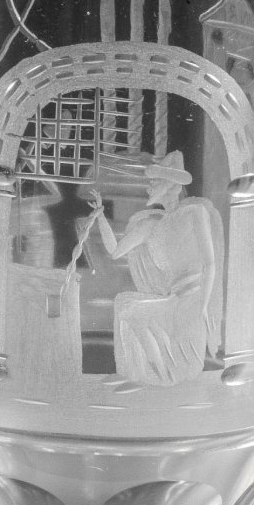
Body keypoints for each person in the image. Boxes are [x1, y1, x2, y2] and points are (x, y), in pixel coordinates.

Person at [94, 151, 223, 386]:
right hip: (174, 299)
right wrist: (100, 216)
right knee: (124, 305)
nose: (148, 187)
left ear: (169, 184)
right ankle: (150, 374)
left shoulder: (195, 212)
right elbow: (114, 251)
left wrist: (205, 305)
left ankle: (162, 375)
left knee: (131, 310)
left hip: (194, 300)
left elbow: (210, 263)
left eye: (154, 182)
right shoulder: (150, 225)